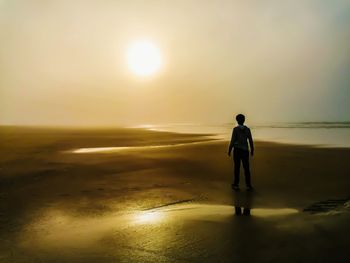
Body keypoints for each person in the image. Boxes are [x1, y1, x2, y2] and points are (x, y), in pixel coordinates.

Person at [228, 114, 254, 191]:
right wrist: (252, 149)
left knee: (237, 167)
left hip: (237, 150)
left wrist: (229, 150)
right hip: (245, 151)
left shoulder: (235, 129)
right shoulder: (247, 129)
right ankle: (248, 185)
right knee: (246, 168)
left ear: (237, 120)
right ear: (244, 120)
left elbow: (232, 141)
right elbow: (250, 140)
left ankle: (236, 184)